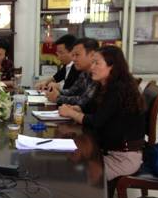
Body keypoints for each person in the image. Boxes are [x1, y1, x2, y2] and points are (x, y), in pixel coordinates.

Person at [58, 45, 145, 182]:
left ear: (112, 66)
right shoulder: (104, 85)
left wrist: (73, 114)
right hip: (108, 150)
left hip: (122, 157)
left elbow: (96, 121)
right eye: (92, 62)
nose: (92, 67)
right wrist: (77, 109)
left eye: (97, 63)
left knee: (77, 176)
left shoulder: (118, 90)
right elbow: (92, 110)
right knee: (71, 164)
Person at [44, 38, 99, 108]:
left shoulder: (98, 75)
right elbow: (72, 91)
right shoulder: (84, 73)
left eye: (77, 55)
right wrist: (57, 91)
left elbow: (86, 101)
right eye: (73, 55)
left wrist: (58, 98)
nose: (73, 59)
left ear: (92, 55)